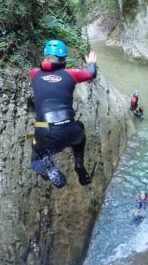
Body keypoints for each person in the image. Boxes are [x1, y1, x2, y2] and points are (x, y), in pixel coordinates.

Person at [29, 39, 97, 188]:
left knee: (35, 160)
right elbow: (92, 74)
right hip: (70, 130)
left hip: (45, 132)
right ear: (64, 58)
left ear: (45, 55)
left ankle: (48, 166)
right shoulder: (72, 74)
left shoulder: (34, 74)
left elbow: (45, 78)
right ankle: (79, 165)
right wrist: (91, 62)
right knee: (80, 130)